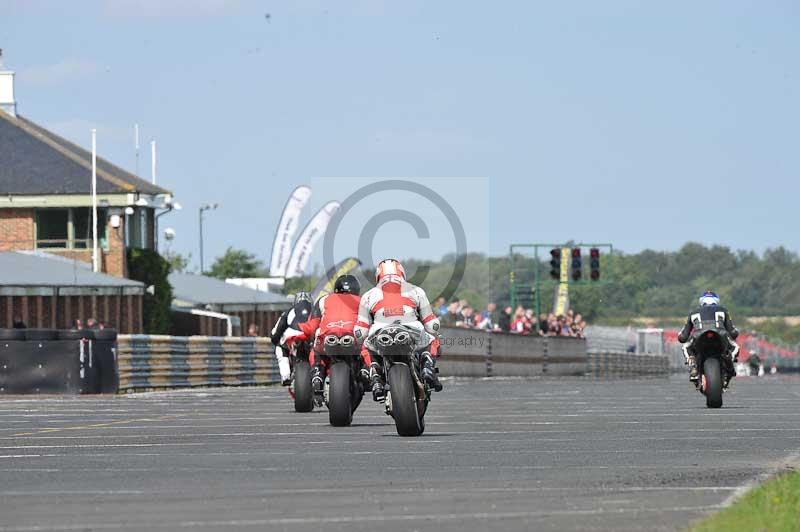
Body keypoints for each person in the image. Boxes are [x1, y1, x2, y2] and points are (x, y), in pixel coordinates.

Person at [355, 259, 442, 402]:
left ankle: (375, 374)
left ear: (378, 275)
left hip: (380, 331)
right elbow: (431, 323)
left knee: (365, 345)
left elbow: (361, 330)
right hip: (411, 327)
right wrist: (434, 330)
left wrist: (360, 337)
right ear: (402, 272)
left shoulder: (368, 295)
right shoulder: (416, 290)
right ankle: (427, 365)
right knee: (433, 339)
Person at [283, 275, 365, 394]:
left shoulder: (323, 299)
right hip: (352, 337)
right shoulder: (363, 301)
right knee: (366, 348)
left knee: (316, 350)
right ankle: (370, 373)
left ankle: (317, 371)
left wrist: (304, 334)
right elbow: (369, 323)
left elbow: (312, 327)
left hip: (328, 336)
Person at [677, 291, 740, 383]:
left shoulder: (693, 313)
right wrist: (735, 331)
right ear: (716, 301)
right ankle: (729, 362)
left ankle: (693, 365)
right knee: (736, 347)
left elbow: (683, 337)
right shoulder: (723, 310)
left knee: (686, 347)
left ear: (701, 301)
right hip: (720, 335)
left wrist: (680, 335)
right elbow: (733, 333)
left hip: (699, 336)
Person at [270, 292, 314, 386]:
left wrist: (275, 340)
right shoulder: (316, 311)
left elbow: (277, 330)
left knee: (280, 347)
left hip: (293, 335)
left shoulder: (289, 311)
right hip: (311, 335)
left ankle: (285, 375)